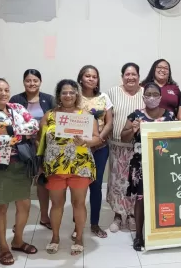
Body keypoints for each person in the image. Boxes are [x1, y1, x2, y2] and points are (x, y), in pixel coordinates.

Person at [0, 78, 40, 265]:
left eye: (6, 89)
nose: (3, 93)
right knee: (1, 208)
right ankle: (3, 247)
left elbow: (34, 126)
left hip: (21, 163)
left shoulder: (17, 108)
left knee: (25, 204)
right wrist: (21, 135)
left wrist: (9, 131)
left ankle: (18, 240)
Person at [40, 79, 102, 255]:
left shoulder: (86, 116)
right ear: (59, 95)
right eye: (64, 92)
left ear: (77, 95)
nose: (68, 95)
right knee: (57, 203)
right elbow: (40, 140)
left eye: (72, 92)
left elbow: (97, 138)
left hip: (80, 165)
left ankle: (80, 237)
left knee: (79, 203)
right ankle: (55, 237)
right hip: (56, 166)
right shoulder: (50, 115)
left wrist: (86, 141)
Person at [121, 83, 175, 251]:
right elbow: (124, 137)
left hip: (163, 163)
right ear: (144, 97)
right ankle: (138, 235)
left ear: (160, 97)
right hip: (141, 163)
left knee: (163, 198)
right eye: (148, 94)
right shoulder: (136, 115)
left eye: (155, 94)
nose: (151, 97)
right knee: (141, 198)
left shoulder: (170, 115)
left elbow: (177, 137)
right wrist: (133, 130)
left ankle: (163, 233)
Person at [10, 69, 55, 231]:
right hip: (22, 147)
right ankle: (20, 220)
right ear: (24, 82)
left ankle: (44, 216)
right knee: (23, 182)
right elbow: (12, 123)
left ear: (40, 82)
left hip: (44, 146)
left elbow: (54, 121)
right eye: (28, 80)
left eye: (35, 80)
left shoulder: (49, 99)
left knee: (43, 181)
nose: (32, 83)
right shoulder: (16, 99)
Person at [106, 63, 144, 233]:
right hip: (117, 146)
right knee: (116, 182)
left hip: (138, 147)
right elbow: (106, 116)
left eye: (134, 74)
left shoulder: (145, 93)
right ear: (122, 77)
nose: (130, 77)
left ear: (139, 76)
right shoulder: (113, 92)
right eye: (127, 74)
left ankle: (131, 215)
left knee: (134, 181)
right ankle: (117, 216)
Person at [77, 65, 113, 237]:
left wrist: (98, 139)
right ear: (81, 78)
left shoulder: (104, 97)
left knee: (96, 185)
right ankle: (78, 225)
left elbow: (109, 122)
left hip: (100, 148)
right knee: (79, 187)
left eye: (94, 76)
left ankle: (94, 223)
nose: (91, 79)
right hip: (79, 149)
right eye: (87, 76)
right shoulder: (74, 97)